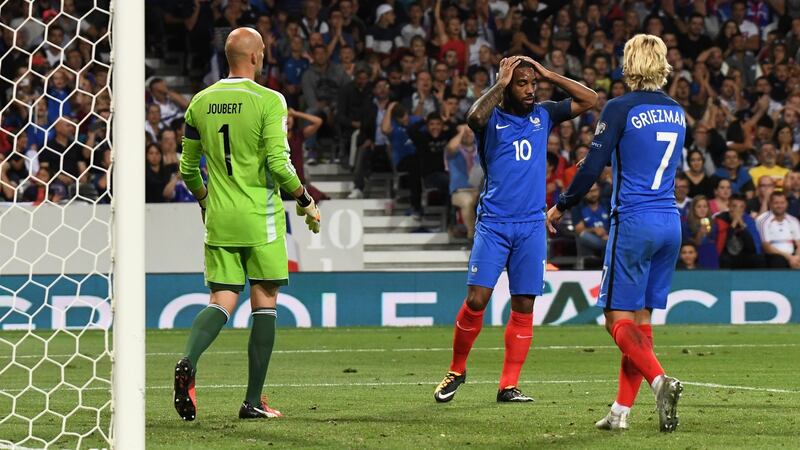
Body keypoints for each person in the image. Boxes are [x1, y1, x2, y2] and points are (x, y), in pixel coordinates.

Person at [173, 27, 321, 422]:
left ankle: (189, 360)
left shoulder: (200, 102)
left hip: (220, 218)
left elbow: (187, 169)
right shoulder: (270, 100)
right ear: (257, 56)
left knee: (222, 299)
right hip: (261, 220)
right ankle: (253, 400)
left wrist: (205, 200)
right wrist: (305, 199)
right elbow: (278, 162)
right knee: (265, 300)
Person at [434, 55, 596, 403]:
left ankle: (508, 385)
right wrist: (501, 83)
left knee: (524, 304)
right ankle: (456, 369)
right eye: (522, 83)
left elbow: (590, 99)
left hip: (531, 226)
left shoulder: (545, 114)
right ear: (506, 86)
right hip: (493, 223)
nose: (530, 90)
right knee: (477, 299)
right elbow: (472, 116)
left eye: (532, 83)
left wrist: (549, 73)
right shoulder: (491, 118)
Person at [546, 34, 685, 433]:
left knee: (615, 319)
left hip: (634, 222)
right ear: (662, 63)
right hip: (669, 222)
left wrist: (561, 205)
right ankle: (621, 411)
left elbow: (592, 170)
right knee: (641, 320)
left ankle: (660, 381)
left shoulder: (620, 107)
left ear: (629, 63)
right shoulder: (677, 112)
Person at [756, 192, 800, 268]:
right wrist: (790, 258)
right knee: (778, 261)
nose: (779, 206)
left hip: (793, 256)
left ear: (787, 204)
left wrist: (797, 257)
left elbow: (799, 243)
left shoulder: (794, 220)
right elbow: (766, 247)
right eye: (776, 203)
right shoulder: (763, 220)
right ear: (770, 205)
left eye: (782, 203)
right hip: (773, 256)